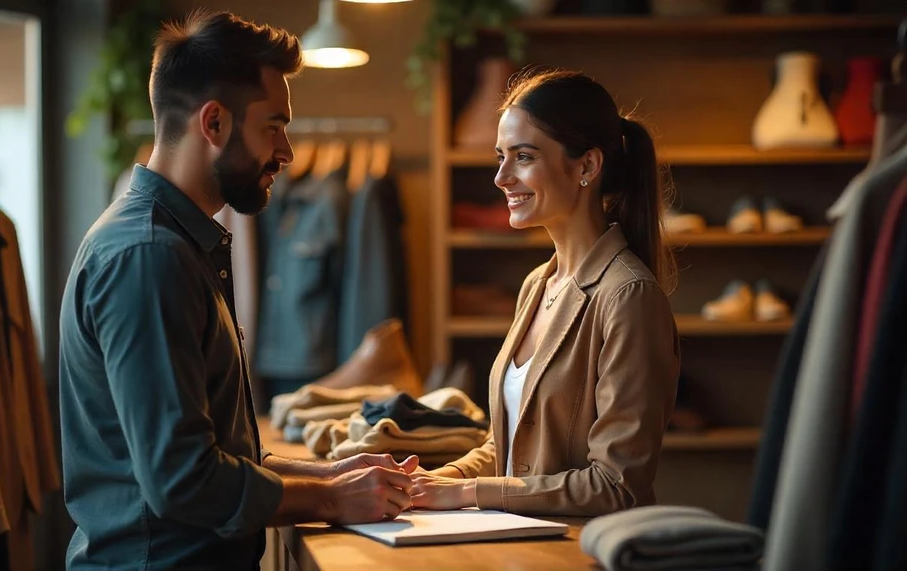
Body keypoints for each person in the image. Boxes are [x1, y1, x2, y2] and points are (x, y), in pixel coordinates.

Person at [58, 10, 417, 571]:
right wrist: (328, 498)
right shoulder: (149, 256)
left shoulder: (177, 245)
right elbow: (183, 480)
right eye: (274, 127)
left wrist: (329, 473)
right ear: (215, 123)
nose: (288, 152)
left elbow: (216, 452)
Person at [408, 69, 681, 516]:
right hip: (513, 544)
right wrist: (435, 480)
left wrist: (467, 494)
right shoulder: (537, 284)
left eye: (524, 157)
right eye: (501, 156)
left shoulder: (628, 296)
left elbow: (617, 485)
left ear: (587, 166)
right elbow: (508, 445)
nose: (501, 177)